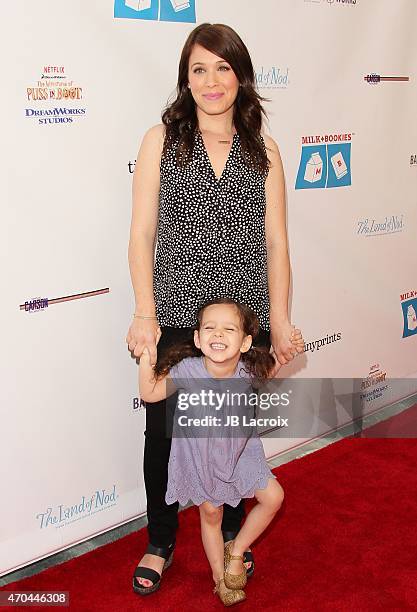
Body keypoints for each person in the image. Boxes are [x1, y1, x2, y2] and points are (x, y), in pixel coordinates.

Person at [126, 22, 305, 595]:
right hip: (178, 318)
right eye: (199, 69)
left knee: (228, 436)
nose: (211, 80)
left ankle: (230, 536)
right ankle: (160, 540)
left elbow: (277, 244)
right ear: (186, 77)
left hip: (241, 324)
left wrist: (278, 318)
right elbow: (141, 234)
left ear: (240, 76)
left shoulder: (265, 151)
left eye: (222, 68)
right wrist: (143, 312)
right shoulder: (161, 140)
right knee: (164, 435)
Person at [138, 298, 303, 605]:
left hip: (241, 453)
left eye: (229, 329)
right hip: (203, 459)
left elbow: (267, 375)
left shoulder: (247, 369)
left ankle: (237, 550)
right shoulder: (187, 370)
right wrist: (148, 356)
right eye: (209, 328)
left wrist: (284, 353)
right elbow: (149, 392)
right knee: (211, 514)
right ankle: (219, 578)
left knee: (274, 497)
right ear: (198, 338)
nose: (218, 334)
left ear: (245, 342)